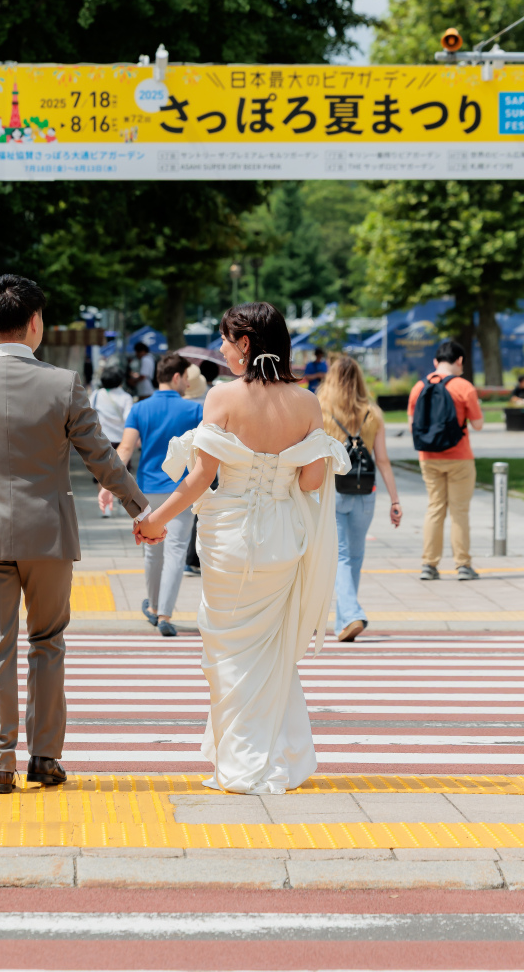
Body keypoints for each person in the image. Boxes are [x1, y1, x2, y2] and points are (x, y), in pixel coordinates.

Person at [0, 274, 160, 796]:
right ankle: (44, 757)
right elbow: (100, 455)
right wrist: (139, 508)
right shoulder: (63, 385)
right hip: (48, 536)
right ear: (35, 322)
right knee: (48, 642)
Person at [138, 301, 349, 795]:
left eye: (226, 341)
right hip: (283, 537)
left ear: (246, 344)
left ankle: (240, 758)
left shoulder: (222, 397)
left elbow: (200, 479)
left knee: (227, 648)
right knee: (273, 650)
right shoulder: (306, 402)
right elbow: (313, 479)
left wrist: (154, 522)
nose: (221, 349)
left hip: (230, 538)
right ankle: (281, 754)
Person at [99, 352, 204, 637]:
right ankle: (165, 614)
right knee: (176, 551)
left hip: (146, 489)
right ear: (177, 376)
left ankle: (153, 606)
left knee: (151, 551)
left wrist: (108, 485)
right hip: (182, 490)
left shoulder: (139, 409)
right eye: (186, 378)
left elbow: (125, 449)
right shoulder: (194, 411)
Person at [317, 356, 403, 642]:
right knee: (354, 557)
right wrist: (395, 500)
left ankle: (350, 614)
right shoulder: (372, 413)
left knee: (341, 556)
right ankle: (345, 621)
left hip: (333, 491)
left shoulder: (322, 410)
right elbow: (383, 460)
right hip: (366, 492)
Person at [407, 339, 483, 582]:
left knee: (435, 508)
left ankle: (429, 565)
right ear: (459, 361)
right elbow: (478, 425)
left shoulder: (418, 387)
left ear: (435, 361)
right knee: (459, 511)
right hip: (460, 457)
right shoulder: (464, 387)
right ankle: (463, 565)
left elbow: (412, 425)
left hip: (428, 458)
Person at [89, 367, 133, 447]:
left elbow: (88, 413)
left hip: (99, 439)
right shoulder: (126, 397)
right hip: (120, 440)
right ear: (120, 380)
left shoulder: (96, 394)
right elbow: (128, 419)